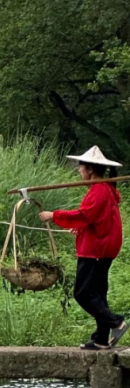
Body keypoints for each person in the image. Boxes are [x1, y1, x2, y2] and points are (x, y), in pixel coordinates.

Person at [39, 145, 127, 350]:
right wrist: (81, 228)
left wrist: (54, 215)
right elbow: (97, 219)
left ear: (90, 169)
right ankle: (102, 339)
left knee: (83, 293)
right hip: (102, 247)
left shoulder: (99, 190)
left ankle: (116, 322)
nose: (79, 170)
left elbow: (84, 215)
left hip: (96, 250)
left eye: (80, 167)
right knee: (98, 293)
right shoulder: (105, 189)